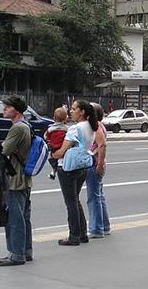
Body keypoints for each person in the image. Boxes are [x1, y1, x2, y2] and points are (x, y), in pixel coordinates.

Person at [52, 99, 98, 246]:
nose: (71, 111)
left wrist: (52, 154)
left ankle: (74, 236)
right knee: (75, 200)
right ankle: (83, 234)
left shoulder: (75, 128)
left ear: (82, 112)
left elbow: (61, 151)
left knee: (70, 202)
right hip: (83, 166)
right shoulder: (91, 127)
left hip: (68, 167)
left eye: (73, 109)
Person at [0, 95, 33, 266]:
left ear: (16, 110)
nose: (4, 109)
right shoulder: (27, 125)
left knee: (14, 218)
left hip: (15, 179)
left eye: (7, 107)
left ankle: (16, 254)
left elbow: (4, 151)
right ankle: (26, 250)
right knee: (24, 216)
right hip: (25, 177)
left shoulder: (17, 128)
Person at [85, 102, 110, 238]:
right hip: (97, 163)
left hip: (94, 163)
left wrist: (99, 163)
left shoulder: (96, 127)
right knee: (99, 196)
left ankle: (96, 229)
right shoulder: (98, 126)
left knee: (93, 197)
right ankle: (104, 226)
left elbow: (102, 145)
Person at [45, 107, 69, 180]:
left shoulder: (50, 129)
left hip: (53, 147)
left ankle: (53, 170)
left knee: (50, 157)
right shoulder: (66, 128)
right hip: (62, 147)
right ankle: (58, 166)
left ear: (54, 118)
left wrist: (49, 140)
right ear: (65, 119)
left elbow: (45, 136)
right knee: (61, 159)